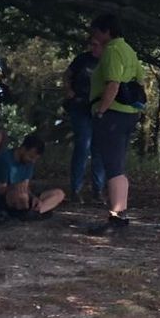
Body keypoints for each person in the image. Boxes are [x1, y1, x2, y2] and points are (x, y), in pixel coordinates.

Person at [85, 13, 145, 234]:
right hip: (129, 114)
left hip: (113, 115)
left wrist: (101, 110)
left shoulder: (111, 50)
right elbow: (140, 79)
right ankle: (120, 213)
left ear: (107, 31)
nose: (95, 36)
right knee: (118, 164)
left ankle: (117, 216)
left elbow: (113, 84)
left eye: (97, 32)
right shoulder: (129, 50)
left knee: (113, 166)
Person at [64, 31, 106, 204]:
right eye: (91, 44)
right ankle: (76, 189)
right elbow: (67, 75)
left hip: (99, 109)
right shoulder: (82, 59)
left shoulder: (108, 61)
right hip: (80, 107)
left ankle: (98, 191)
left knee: (99, 149)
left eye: (96, 45)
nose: (93, 48)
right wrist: (68, 90)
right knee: (83, 145)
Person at [0, 130, 65, 217]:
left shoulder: (28, 163)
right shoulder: (4, 160)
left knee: (59, 194)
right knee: (22, 196)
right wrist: (15, 187)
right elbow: (0, 190)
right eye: (31, 157)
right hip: (3, 198)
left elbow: (25, 187)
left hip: (23, 196)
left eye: (35, 159)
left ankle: (37, 211)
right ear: (23, 149)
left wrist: (33, 197)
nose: (33, 161)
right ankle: (31, 212)